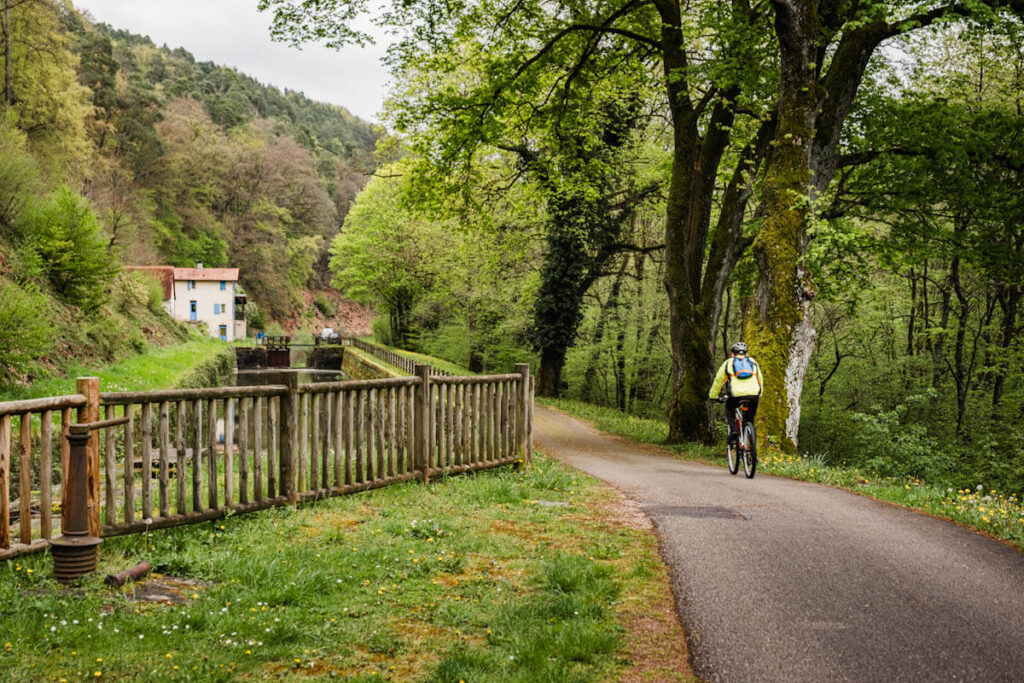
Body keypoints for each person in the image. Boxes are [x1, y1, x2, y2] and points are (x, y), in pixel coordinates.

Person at [709, 342, 762, 445]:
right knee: (749, 420)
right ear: (746, 354)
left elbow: (718, 381)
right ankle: (752, 447)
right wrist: (760, 393)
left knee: (729, 408)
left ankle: (733, 431)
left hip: (736, 395)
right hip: (754, 394)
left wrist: (713, 396)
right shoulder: (753, 362)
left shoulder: (728, 363)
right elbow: (760, 379)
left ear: (733, 354)